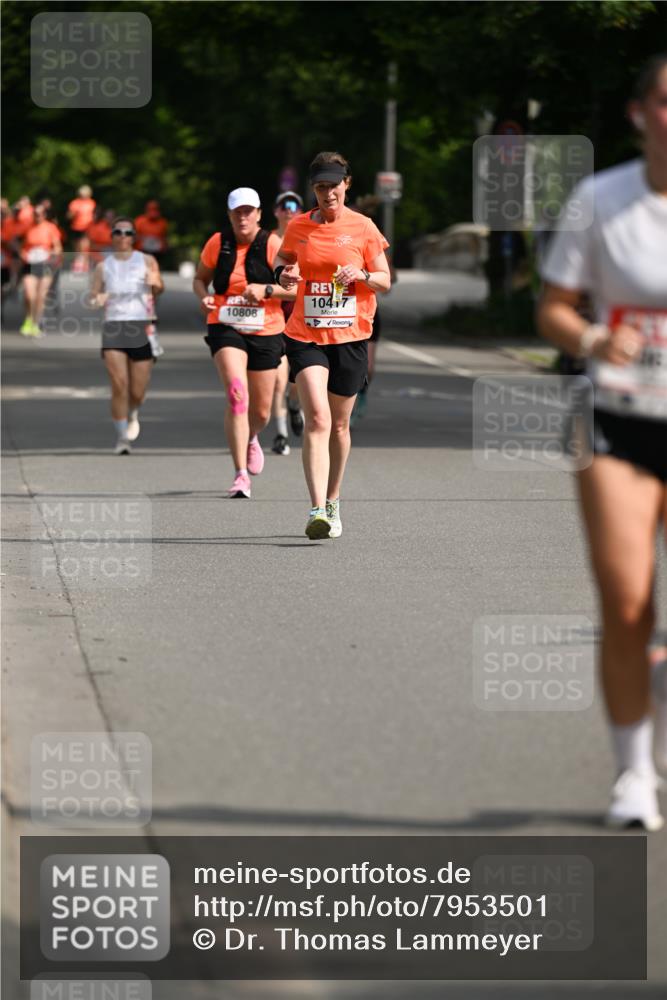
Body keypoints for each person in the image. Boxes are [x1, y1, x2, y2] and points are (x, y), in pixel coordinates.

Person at [537, 54, 667, 831]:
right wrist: (590, 333)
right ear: (640, 112)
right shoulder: (601, 200)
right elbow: (553, 309)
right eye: (665, 101)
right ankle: (632, 777)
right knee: (626, 604)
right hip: (617, 422)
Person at [273, 151, 391, 538]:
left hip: (351, 336)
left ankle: (334, 498)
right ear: (314, 189)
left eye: (334, 186)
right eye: (321, 188)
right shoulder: (298, 227)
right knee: (318, 419)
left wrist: (362, 274)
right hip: (306, 335)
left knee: (340, 425)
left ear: (347, 185)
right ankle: (316, 509)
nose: (328, 194)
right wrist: (285, 275)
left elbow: (384, 280)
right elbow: (283, 261)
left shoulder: (363, 227)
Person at [193, 187, 296, 498]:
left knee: (262, 411)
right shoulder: (218, 243)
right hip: (225, 325)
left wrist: (266, 290)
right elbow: (200, 279)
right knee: (237, 394)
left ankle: (252, 436)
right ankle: (240, 475)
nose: (243, 216)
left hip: (266, 330)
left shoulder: (273, 244)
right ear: (229, 215)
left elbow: (294, 291)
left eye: (249, 210)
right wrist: (205, 298)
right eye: (237, 211)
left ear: (259, 214)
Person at [89, 217, 164, 454]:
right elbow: (92, 297)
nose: (123, 237)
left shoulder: (147, 260)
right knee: (119, 384)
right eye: (118, 232)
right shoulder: (103, 266)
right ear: (112, 236)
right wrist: (97, 299)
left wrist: (154, 283)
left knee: (137, 391)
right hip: (114, 326)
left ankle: (133, 413)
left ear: (134, 236)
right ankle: (122, 438)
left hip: (141, 326)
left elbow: (159, 289)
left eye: (128, 233)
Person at [271, 190, 304, 455]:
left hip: (302, 319)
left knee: (296, 384)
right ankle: (281, 432)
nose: (289, 210)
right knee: (278, 380)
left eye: (294, 206)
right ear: (276, 211)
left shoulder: (307, 239)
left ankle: (294, 406)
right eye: (284, 206)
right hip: (273, 320)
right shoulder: (269, 242)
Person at [19, 203, 62, 336]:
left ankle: (36, 323)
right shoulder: (27, 227)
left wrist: (53, 254)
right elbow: (17, 243)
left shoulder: (51, 228)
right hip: (30, 263)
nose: (37, 216)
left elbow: (58, 247)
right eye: (35, 214)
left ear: (44, 215)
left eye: (39, 214)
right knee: (29, 294)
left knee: (41, 296)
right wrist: (23, 254)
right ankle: (28, 318)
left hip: (45, 264)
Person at [67, 185, 96, 266]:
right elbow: (69, 216)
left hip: (87, 227)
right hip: (76, 227)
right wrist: (74, 213)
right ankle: (78, 262)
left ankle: (85, 262)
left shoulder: (92, 203)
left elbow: (94, 215)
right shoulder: (75, 203)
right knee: (77, 246)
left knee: (84, 246)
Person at [134, 200, 169, 267]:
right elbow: (135, 236)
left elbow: (165, 237)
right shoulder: (140, 221)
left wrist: (164, 246)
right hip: (143, 250)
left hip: (157, 252)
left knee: (154, 267)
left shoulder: (162, 222)